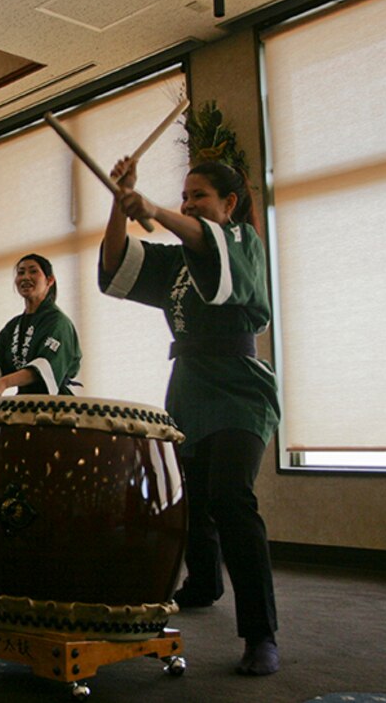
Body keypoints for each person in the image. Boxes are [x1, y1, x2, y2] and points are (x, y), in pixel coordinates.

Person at [99, 158, 281, 675]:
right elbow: (115, 266)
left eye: (199, 195)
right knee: (190, 500)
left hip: (240, 385)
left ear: (229, 204)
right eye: (184, 195)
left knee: (230, 497)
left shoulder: (243, 241)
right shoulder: (177, 260)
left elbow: (212, 247)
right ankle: (204, 582)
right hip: (189, 386)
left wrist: (153, 207)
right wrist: (120, 202)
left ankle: (261, 633)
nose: (188, 203)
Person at [0, 254, 82, 398]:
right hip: (25, 405)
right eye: (21, 273)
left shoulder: (58, 322)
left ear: (49, 280)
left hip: (54, 407)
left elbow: (45, 367)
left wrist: (4, 383)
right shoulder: (13, 327)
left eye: (33, 271)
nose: (25, 277)